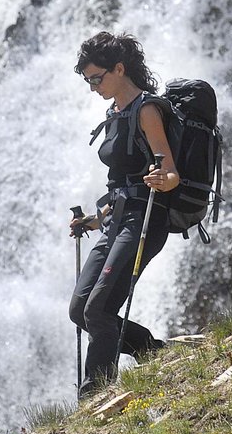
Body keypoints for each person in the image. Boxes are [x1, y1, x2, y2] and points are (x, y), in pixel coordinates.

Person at [69, 31, 180, 398]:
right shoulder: (114, 113)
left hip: (146, 219)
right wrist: (93, 220)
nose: (93, 87)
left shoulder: (147, 110)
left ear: (119, 68)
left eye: (96, 78)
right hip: (116, 220)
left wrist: (161, 179)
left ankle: (93, 397)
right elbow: (119, 181)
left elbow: (171, 172)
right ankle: (149, 349)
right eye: (88, 81)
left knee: (99, 310)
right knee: (79, 310)